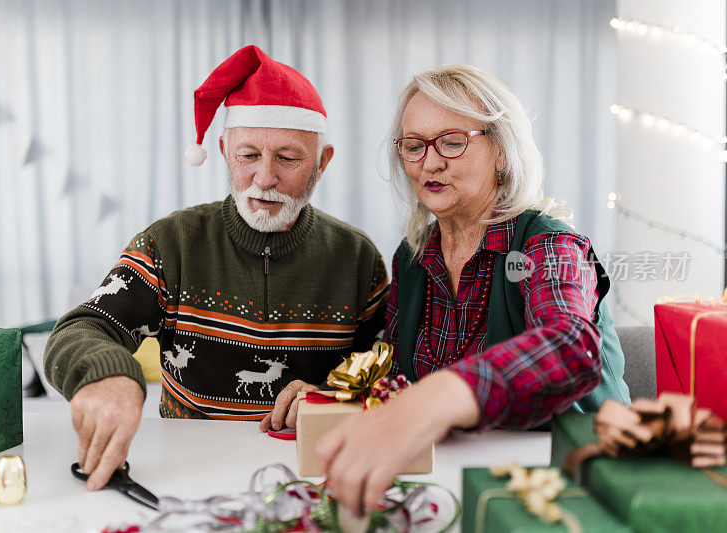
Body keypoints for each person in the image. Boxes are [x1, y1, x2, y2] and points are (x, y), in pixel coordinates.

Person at [44, 45, 388, 491]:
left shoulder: (358, 259)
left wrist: (336, 397)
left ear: (322, 162)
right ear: (224, 150)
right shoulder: (171, 244)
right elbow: (81, 327)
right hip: (187, 473)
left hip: (314, 474)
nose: (264, 178)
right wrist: (108, 372)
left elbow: (385, 370)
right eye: (248, 156)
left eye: (288, 158)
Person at [314, 64, 631, 514]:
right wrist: (327, 394)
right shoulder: (413, 256)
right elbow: (399, 378)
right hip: (450, 485)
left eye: (452, 141)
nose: (430, 162)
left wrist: (443, 395)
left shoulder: (550, 243)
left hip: (568, 488)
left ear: (501, 151)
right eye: (413, 146)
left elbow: (571, 347)